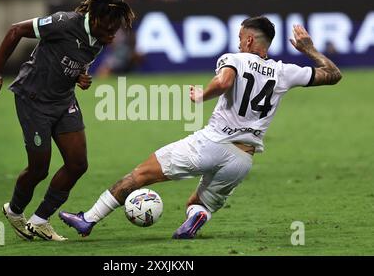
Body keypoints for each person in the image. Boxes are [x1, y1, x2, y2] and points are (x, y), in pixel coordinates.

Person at [59, 16, 342, 239]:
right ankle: (199, 217)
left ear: (249, 39)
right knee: (198, 203)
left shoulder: (234, 58)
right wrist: (309, 49)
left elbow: (224, 82)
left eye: (240, 37)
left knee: (140, 176)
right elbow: (333, 74)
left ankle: (88, 220)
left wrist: (201, 96)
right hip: (243, 159)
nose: (239, 41)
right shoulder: (285, 71)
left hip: (211, 143)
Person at [0, 0, 135, 241]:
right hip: (33, 99)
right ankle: (14, 211)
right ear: (95, 20)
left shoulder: (100, 38)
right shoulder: (63, 22)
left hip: (64, 101)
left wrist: (80, 77)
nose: (112, 36)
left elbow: (73, 60)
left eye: (115, 30)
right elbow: (15, 31)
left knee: (78, 164)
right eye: (109, 30)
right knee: (39, 169)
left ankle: (40, 220)